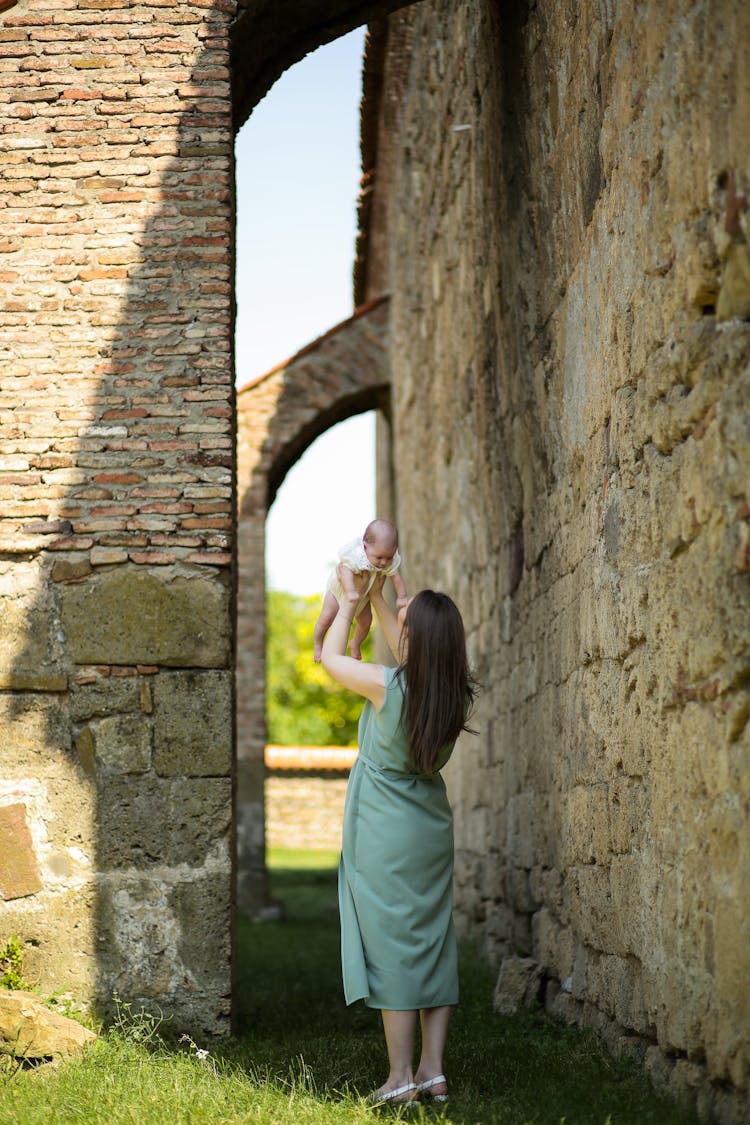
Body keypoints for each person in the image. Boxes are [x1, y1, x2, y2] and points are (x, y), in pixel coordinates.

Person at [321, 571, 477, 1105]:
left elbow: (330, 658)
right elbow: (402, 631)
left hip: (385, 825)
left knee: (392, 947)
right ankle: (433, 1071)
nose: (398, 621)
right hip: (430, 825)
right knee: (433, 939)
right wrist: (385, 584)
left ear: (414, 641)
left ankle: (400, 1077)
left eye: (405, 624)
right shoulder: (451, 695)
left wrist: (346, 604)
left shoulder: (387, 687)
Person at [313, 518, 408, 663]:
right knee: (326, 617)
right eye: (379, 557)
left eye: (388, 558)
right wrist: (350, 590)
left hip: (363, 596)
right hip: (339, 590)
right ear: (365, 547)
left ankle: (355, 643)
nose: (383, 562)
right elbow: (344, 569)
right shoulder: (356, 555)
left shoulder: (388, 560)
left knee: (366, 622)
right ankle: (318, 643)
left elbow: (396, 577)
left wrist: (402, 596)